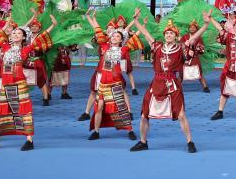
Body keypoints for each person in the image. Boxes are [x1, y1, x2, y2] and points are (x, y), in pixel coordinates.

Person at [128, 16, 205, 153]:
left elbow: (193, 39)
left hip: (172, 84)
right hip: (156, 83)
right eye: (167, 33)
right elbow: (145, 34)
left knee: (181, 115)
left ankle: (190, 142)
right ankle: (143, 142)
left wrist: (205, 24)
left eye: (172, 33)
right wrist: (136, 21)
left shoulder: (181, 49)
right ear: (164, 35)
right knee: (144, 115)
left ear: (176, 36)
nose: (169, 35)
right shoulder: (157, 46)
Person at [0, 14, 55, 150]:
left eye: (19, 33)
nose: (15, 34)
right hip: (6, 85)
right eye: (14, 33)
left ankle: (29, 141)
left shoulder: (27, 48)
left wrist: (53, 25)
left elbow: (41, 37)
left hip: (20, 84)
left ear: (23, 38)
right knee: (2, 111)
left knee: (24, 111)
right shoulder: (5, 47)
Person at [85, 10, 139, 141]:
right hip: (103, 84)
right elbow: (97, 29)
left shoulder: (124, 49)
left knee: (121, 108)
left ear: (121, 40)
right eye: (113, 35)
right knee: (99, 108)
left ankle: (130, 130)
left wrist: (136, 21)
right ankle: (96, 131)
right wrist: (91, 17)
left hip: (115, 84)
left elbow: (136, 36)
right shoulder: (104, 46)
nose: (114, 37)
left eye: (117, 36)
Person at [179, 19, 210, 92]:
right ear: (188, 28)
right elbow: (180, 46)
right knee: (182, 73)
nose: (192, 29)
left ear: (197, 29)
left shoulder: (199, 38)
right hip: (185, 58)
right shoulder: (184, 37)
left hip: (195, 58)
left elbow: (201, 49)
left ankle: (205, 87)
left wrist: (194, 49)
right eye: (191, 27)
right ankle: (177, 87)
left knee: (199, 73)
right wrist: (184, 46)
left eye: (194, 27)